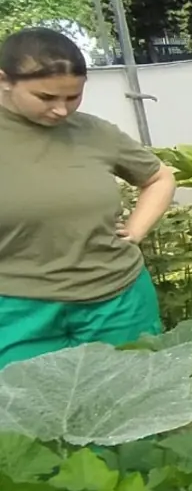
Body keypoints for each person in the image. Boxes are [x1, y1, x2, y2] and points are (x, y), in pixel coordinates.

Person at [0, 27, 176, 370]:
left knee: (131, 408)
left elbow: (158, 177)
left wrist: (136, 231)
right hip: (18, 308)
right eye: (46, 98)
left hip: (118, 300)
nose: (62, 111)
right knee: (28, 415)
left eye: (73, 97)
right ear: (4, 80)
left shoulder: (94, 132)